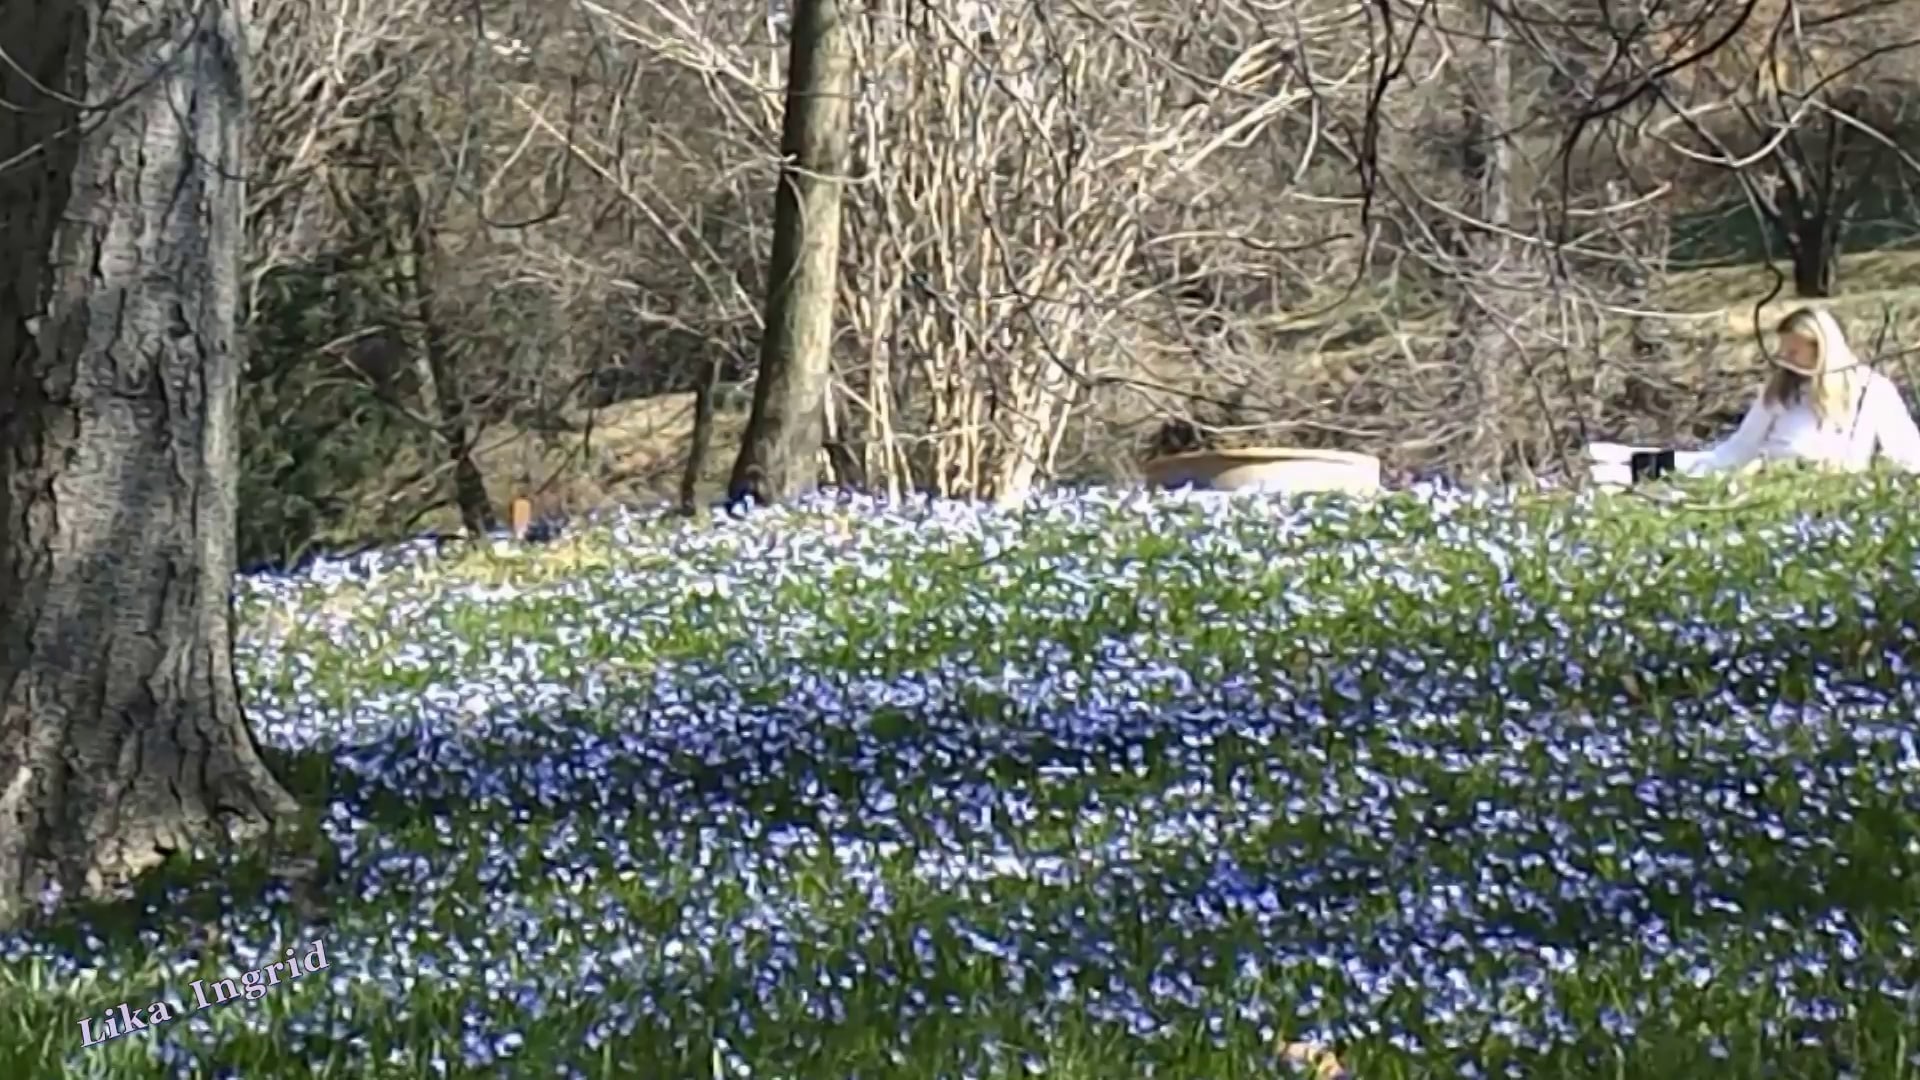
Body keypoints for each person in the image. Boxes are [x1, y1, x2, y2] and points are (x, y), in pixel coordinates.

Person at [1683, 306, 1920, 476]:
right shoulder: (1779, 391)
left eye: (1794, 352)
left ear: (1821, 348)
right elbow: (1737, 451)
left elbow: (1908, 455)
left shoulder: (1872, 391)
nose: (1785, 358)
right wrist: (1670, 464)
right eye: (1784, 350)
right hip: (1777, 495)